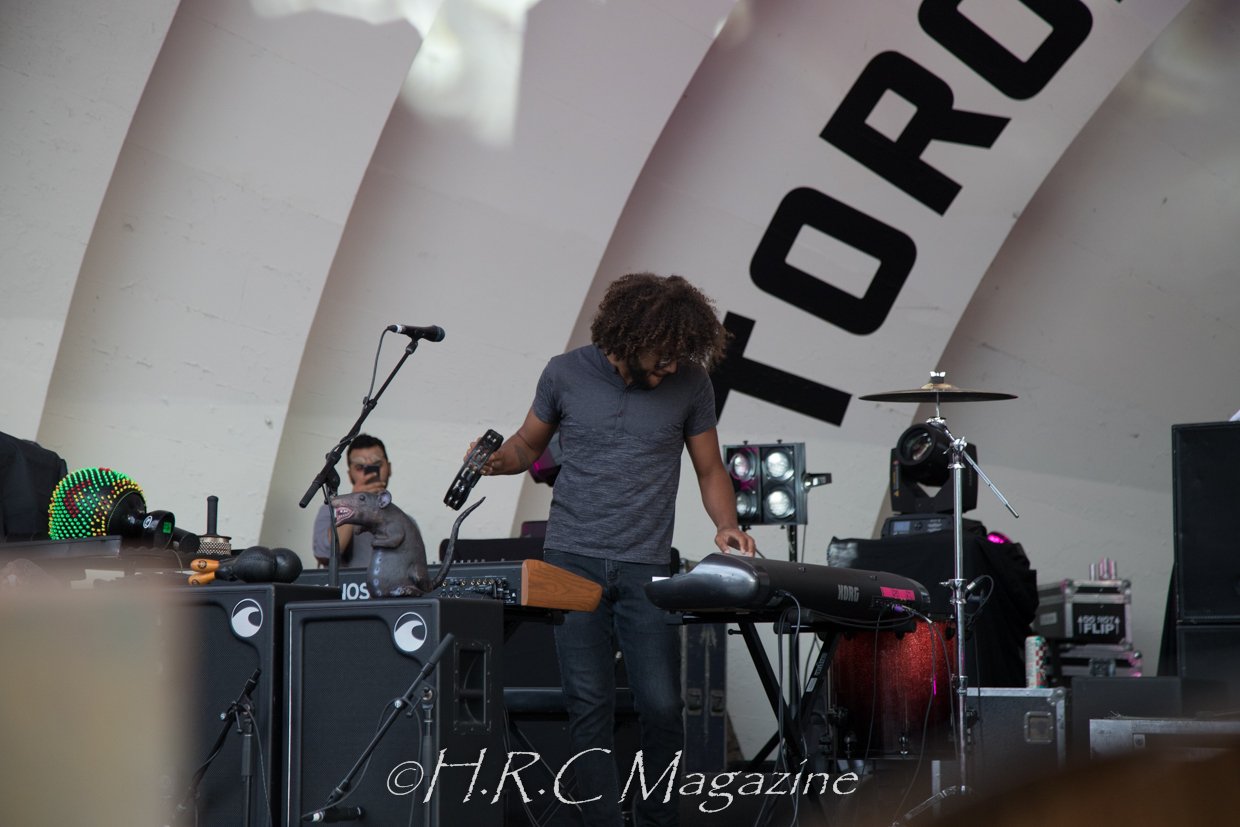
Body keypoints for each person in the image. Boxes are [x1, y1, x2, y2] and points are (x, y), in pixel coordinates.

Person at [473, 273, 756, 827]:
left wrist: (727, 525)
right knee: (589, 704)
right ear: (628, 337)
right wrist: (493, 461)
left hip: (646, 564)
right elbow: (526, 445)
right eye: (662, 356)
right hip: (571, 560)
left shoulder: (692, 383)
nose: (671, 366)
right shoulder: (564, 372)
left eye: (678, 356)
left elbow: (710, 469)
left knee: (663, 705)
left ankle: (656, 820)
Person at [312, 434, 392, 568]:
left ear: (389, 468)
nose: (370, 473)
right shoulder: (330, 510)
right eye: (360, 468)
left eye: (377, 465)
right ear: (350, 476)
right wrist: (353, 503)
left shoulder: (404, 519)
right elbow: (324, 555)